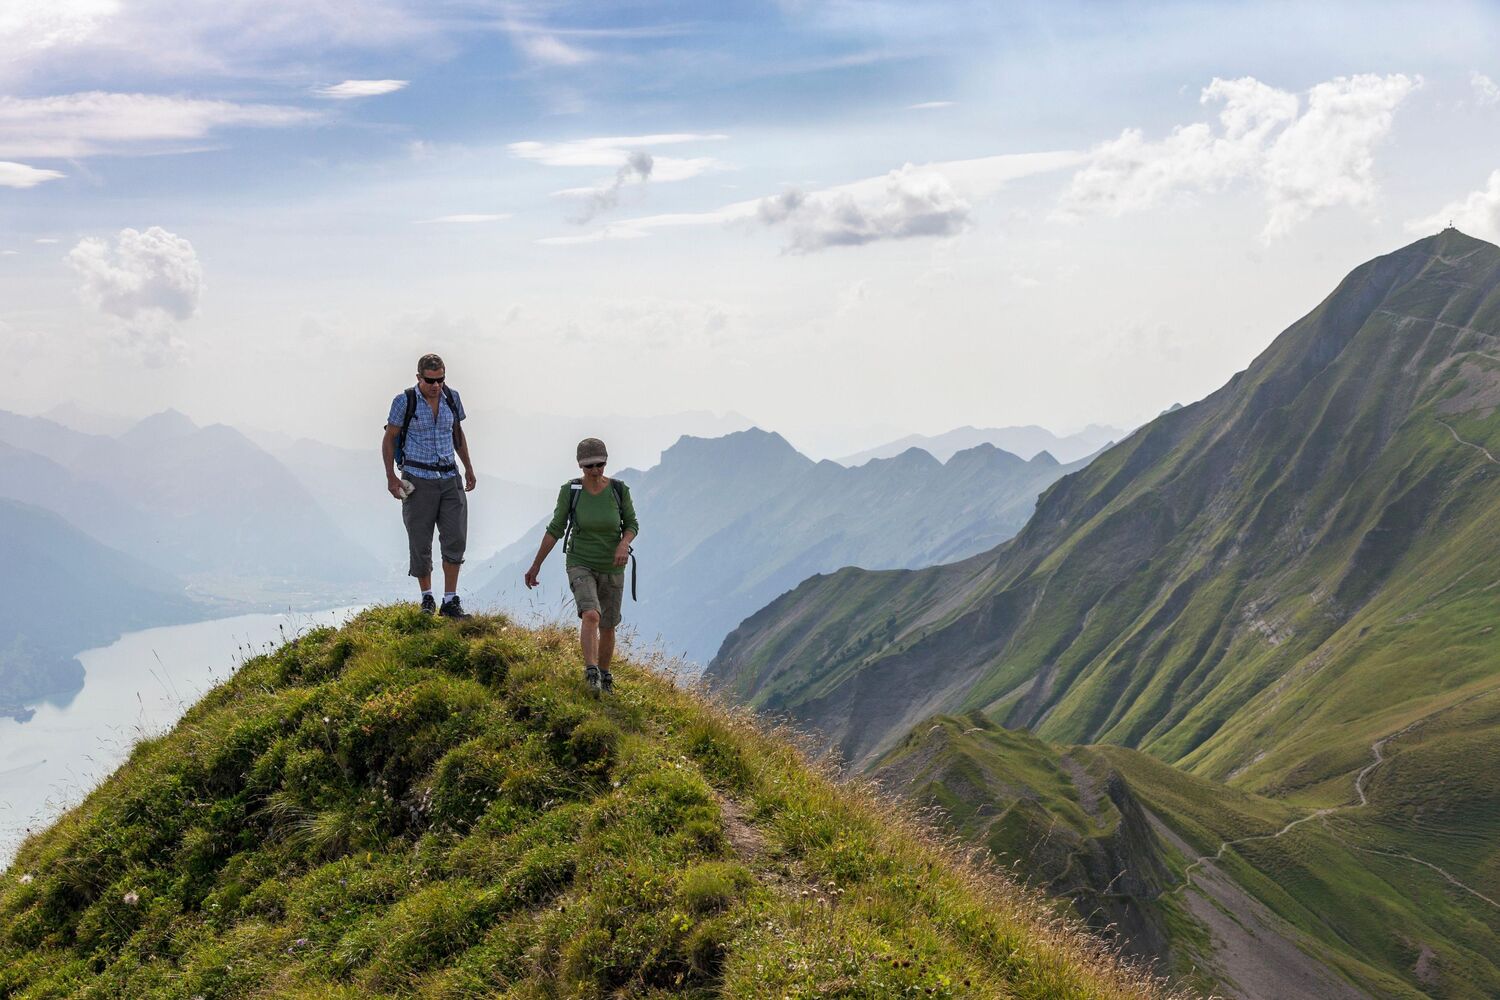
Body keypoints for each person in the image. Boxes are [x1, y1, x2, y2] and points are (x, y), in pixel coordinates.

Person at [525, 437, 638, 693]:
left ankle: (605, 675)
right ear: (580, 466)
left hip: (612, 566)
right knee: (591, 614)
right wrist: (536, 566)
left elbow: (632, 524)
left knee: (608, 625)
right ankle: (591, 673)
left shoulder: (619, 491)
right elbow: (555, 529)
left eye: (600, 464)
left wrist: (623, 544)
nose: (595, 470)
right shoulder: (571, 492)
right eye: (590, 466)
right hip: (580, 561)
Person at [381, 353, 477, 618]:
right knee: (419, 540)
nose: (436, 385)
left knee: (455, 537)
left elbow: (457, 435)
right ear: (418, 377)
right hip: (417, 479)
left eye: (440, 379)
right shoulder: (404, 402)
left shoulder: (451, 397)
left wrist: (468, 467)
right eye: (430, 380)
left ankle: (450, 600)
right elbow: (389, 439)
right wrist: (391, 477)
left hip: (449, 477)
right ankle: (427, 598)